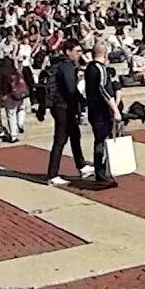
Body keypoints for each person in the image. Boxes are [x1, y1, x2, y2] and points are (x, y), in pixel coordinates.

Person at [46, 39, 90, 185]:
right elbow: (71, 89)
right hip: (63, 107)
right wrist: (82, 101)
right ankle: (52, 175)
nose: (79, 54)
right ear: (68, 51)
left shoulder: (60, 64)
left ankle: (81, 166)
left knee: (75, 136)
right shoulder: (66, 66)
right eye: (77, 51)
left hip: (63, 106)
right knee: (60, 140)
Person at [83, 42, 120, 190]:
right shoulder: (100, 69)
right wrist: (115, 110)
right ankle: (102, 174)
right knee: (103, 141)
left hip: (93, 110)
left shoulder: (89, 68)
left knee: (99, 141)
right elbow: (104, 90)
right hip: (101, 111)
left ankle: (101, 172)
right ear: (104, 54)